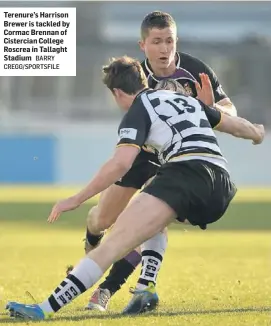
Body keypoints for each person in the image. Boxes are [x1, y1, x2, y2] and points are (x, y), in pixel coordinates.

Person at [6, 55, 264, 321]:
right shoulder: (186, 100)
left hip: (186, 173)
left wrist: (76, 198)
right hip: (221, 185)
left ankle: (43, 309)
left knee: (113, 243)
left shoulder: (139, 109)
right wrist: (257, 133)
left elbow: (120, 164)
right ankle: (145, 286)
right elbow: (233, 124)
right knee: (154, 202)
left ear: (117, 92)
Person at [79, 11, 238, 313]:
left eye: (170, 41)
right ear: (143, 46)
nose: (165, 49)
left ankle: (108, 291)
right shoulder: (135, 76)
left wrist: (213, 109)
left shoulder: (194, 70)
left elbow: (229, 111)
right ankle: (91, 247)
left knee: (150, 219)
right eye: (157, 42)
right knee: (101, 218)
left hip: (176, 161)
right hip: (141, 156)